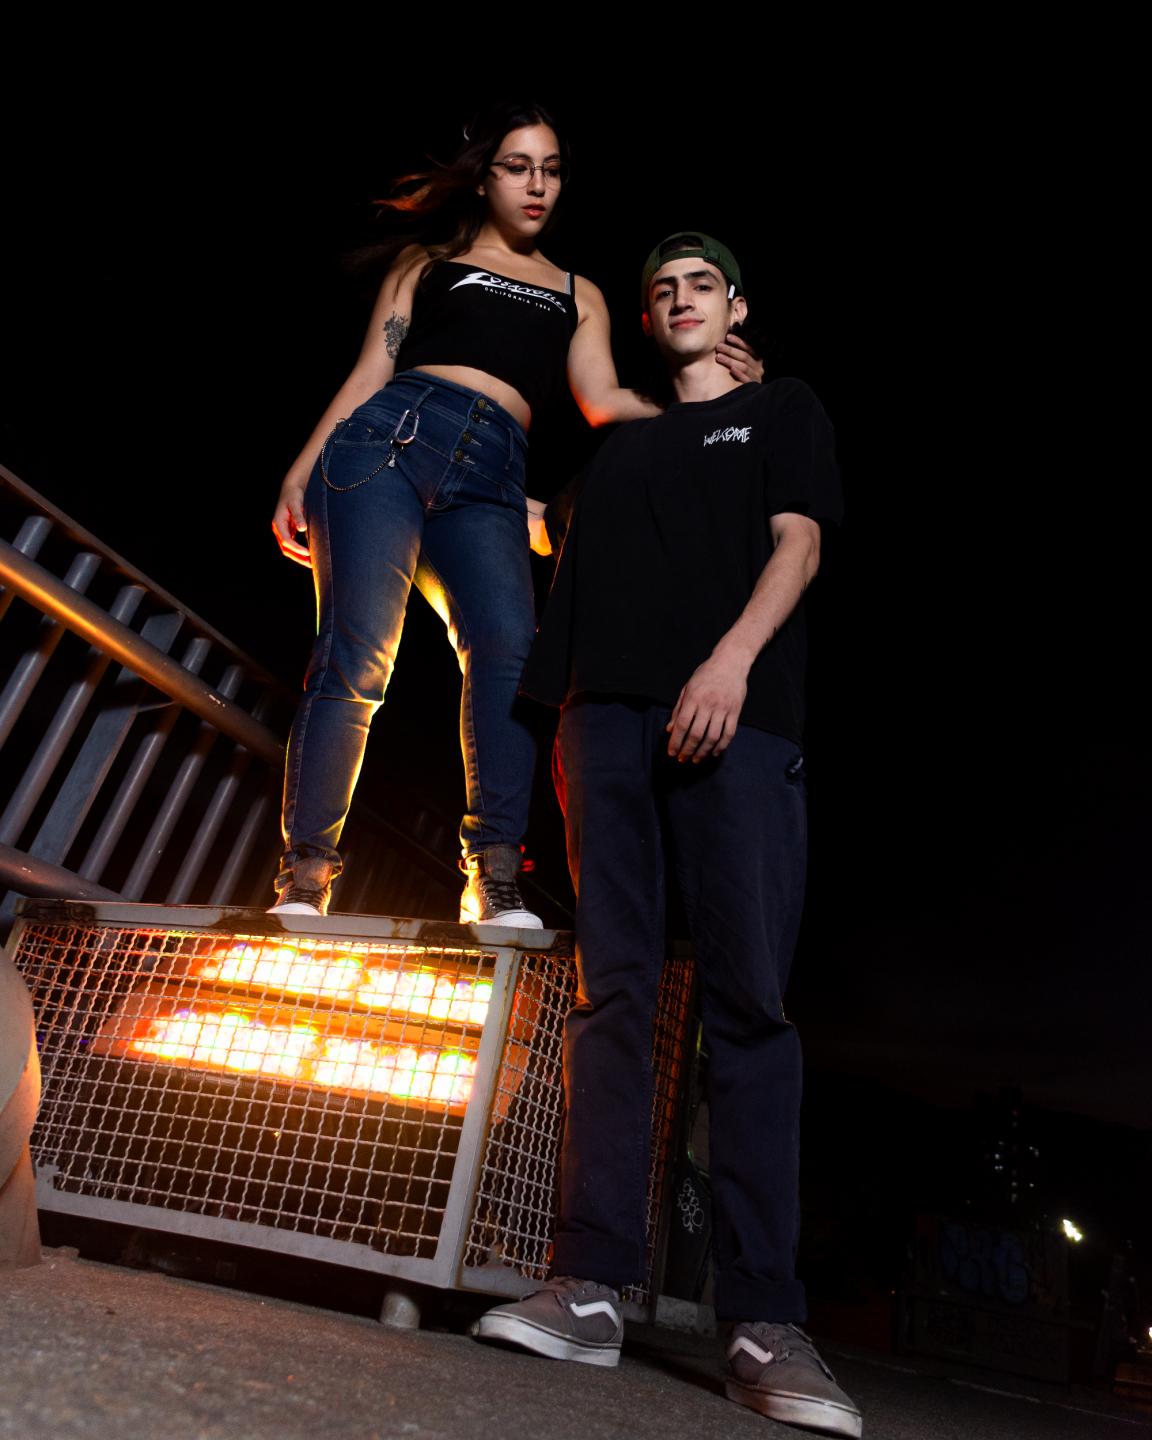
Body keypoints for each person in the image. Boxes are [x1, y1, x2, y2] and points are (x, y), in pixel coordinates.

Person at [474, 233, 862, 1438]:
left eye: (702, 285)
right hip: (605, 723)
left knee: (747, 1005)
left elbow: (801, 542)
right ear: (645, 321)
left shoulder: (781, 409)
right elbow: (541, 539)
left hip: (735, 715)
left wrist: (731, 662)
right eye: (662, 290)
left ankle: (763, 1321)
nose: (681, 299)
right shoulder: (621, 446)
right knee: (614, 997)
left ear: (736, 308)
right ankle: (589, 1284)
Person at [267, 103, 761, 925]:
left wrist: (714, 398)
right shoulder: (429, 263)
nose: (538, 185)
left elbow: (603, 401)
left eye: (552, 170)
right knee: (357, 654)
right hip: (386, 443)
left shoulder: (577, 292)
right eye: (518, 167)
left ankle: (492, 878)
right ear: (484, 179)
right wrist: (299, 472)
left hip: (492, 475)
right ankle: (305, 879)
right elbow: (369, 372)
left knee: (508, 658)